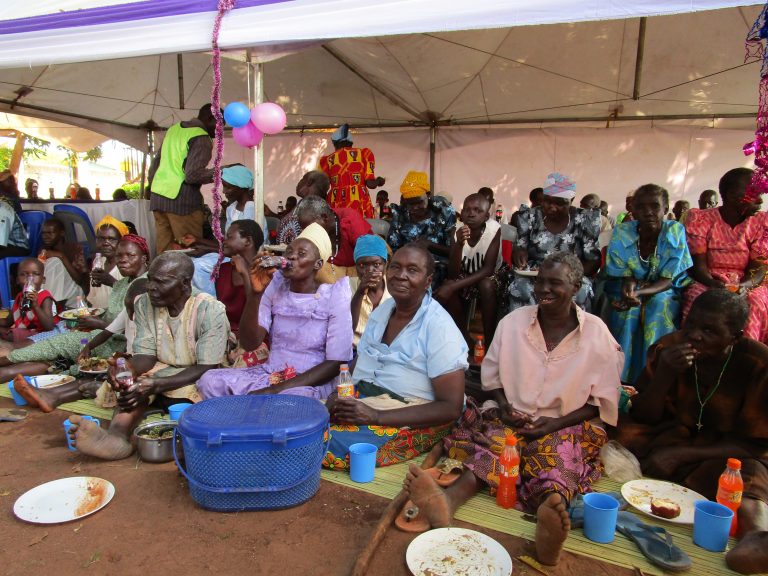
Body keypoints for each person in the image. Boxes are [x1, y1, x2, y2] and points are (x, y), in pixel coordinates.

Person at [403, 253, 622, 566]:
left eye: (554, 283)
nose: (543, 289)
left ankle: (552, 511)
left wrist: (554, 424)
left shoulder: (598, 335)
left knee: (559, 456)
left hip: (565, 424)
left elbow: (599, 403)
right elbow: (490, 378)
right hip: (513, 417)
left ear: (575, 286)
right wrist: (504, 407)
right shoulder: (512, 324)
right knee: (495, 448)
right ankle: (447, 502)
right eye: (540, 281)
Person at [17, 252, 230, 461]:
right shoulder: (145, 303)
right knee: (131, 385)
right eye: (150, 280)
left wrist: (156, 384)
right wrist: (128, 369)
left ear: (185, 284)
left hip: (201, 373)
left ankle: (132, 413)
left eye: (161, 282)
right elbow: (145, 355)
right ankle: (116, 436)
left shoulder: (209, 309)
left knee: (170, 389)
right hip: (164, 367)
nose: (151, 287)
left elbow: (207, 365)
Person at [617, 290, 768, 575]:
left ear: (735, 337)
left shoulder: (758, 364)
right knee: (620, 433)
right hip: (672, 433)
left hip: (727, 450)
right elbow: (643, 415)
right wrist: (664, 375)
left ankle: (756, 537)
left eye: (709, 331)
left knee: (749, 474)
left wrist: (682, 454)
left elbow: (756, 444)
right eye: (691, 325)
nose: (695, 336)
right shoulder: (668, 348)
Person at [324, 243, 467, 469]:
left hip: (408, 414)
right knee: (305, 422)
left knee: (329, 444)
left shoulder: (439, 326)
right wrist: (337, 394)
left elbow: (451, 407)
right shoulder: (382, 310)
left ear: (428, 280)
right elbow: (361, 360)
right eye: (396, 268)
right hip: (363, 400)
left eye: (412, 270)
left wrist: (376, 417)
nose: (401, 276)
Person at [197, 223, 353, 400]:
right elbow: (249, 344)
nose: (292, 256)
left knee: (289, 402)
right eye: (289, 252)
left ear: (317, 264)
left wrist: (274, 390)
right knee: (209, 381)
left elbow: (336, 363)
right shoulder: (275, 285)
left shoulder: (334, 295)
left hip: (307, 383)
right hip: (271, 375)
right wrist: (255, 295)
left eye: (301, 254)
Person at [0, 235, 151, 379]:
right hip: (101, 337)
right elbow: (116, 316)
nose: (123, 260)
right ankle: (11, 363)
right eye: (119, 256)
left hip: (120, 345)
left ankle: (9, 360)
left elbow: (136, 329)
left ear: (143, 258)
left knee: (55, 346)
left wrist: (99, 324)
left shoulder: (143, 285)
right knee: (52, 353)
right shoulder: (125, 282)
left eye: (130, 255)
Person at [605, 184, 692, 384]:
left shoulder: (675, 231)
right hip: (632, 285)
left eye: (654, 206)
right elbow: (623, 273)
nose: (648, 212)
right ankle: (619, 377)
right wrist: (630, 288)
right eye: (641, 207)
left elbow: (668, 279)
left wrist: (641, 292)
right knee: (626, 311)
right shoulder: (623, 231)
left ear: (666, 208)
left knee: (658, 306)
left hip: (666, 288)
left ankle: (654, 374)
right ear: (632, 210)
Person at [683, 167, 768, 343]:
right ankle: (694, 355)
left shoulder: (761, 222)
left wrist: (743, 286)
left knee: (755, 303)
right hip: (707, 280)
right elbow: (698, 266)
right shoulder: (701, 219)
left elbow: (759, 269)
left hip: (748, 282)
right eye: (754, 194)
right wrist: (714, 284)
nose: (760, 200)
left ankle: (745, 359)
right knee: (698, 297)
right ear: (730, 195)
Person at [508, 173, 600, 313]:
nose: (552, 207)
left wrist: (569, 277)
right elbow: (520, 247)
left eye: (560, 203)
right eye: (547, 201)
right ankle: (524, 332)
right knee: (520, 287)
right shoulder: (531, 216)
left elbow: (593, 261)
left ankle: (572, 333)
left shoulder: (584, 220)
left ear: (572, 200)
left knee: (582, 290)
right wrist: (519, 253)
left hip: (570, 276)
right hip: (535, 275)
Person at [147, 104, 217, 253]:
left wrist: (153, 188)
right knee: (190, 251)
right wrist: (221, 173)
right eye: (219, 125)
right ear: (210, 118)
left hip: (158, 198)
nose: (219, 132)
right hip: (182, 202)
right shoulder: (201, 137)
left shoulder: (174, 129)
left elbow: (155, 164)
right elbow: (192, 175)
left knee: (164, 253)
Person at [435, 192, 501, 347]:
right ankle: (465, 340)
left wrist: (452, 286)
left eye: (478, 210)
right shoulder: (456, 229)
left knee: (485, 285)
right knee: (449, 289)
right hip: (466, 274)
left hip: (490, 276)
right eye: (467, 209)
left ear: (486, 216)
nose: (471, 213)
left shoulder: (493, 229)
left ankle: (490, 342)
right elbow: (453, 273)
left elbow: (488, 269)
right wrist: (458, 244)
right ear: (461, 213)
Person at [185, 165, 258, 295]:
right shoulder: (231, 209)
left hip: (246, 257)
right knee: (188, 262)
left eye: (228, 187)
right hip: (232, 253)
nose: (224, 191)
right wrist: (198, 241)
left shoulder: (253, 210)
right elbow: (227, 242)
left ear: (242, 187)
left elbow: (240, 248)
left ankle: (213, 305)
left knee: (198, 267)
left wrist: (207, 248)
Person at [387, 171, 456, 289]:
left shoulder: (443, 211)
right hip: (407, 266)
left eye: (419, 202)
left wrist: (429, 245)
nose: (414, 208)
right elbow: (392, 251)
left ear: (428, 195)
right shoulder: (400, 215)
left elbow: (454, 253)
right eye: (409, 204)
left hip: (438, 268)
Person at [295, 196, 372, 285]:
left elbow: (369, 259)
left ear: (325, 218)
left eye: (310, 227)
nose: (309, 231)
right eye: (304, 228)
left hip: (359, 271)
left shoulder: (350, 219)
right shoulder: (313, 231)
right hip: (333, 277)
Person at [320, 123, 384, 219]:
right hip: (358, 204)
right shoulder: (364, 154)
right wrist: (379, 181)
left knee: (339, 231)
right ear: (351, 143)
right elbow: (371, 184)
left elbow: (322, 188)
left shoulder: (326, 160)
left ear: (335, 143)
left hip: (336, 206)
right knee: (360, 230)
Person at [215, 219, 263, 337]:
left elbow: (256, 313)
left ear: (247, 241)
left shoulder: (265, 272)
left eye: (229, 237)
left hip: (254, 337)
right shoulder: (223, 270)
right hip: (225, 334)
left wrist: (245, 275)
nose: (224, 241)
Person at [0, 258, 58, 342]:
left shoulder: (45, 296)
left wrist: (35, 305)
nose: (30, 278)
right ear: (17, 280)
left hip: (39, 333)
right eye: (24, 274)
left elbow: (49, 326)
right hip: (23, 331)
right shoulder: (19, 296)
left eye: (35, 274)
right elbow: (8, 321)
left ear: (43, 280)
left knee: (8, 334)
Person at [351, 235, 391, 347]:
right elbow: (346, 332)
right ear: (356, 267)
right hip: (353, 351)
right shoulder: (346, 287)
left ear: (385, 265)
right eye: (362, 265)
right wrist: (360, 292)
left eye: (376, 264)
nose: (370, 271)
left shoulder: (395, 291)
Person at [38, 217, 87, 309]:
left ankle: (51, 306)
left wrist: (61, 257)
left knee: (55, 262)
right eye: (43, 233)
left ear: (62, 233)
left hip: (73, 292)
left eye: (50, 233)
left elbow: (79, 280)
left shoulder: (74, 249)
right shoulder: (44, 251)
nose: (45, 236)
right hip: (51, 290)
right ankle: (48, 304)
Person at [276, 170, 330, 245]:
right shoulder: (320, 207)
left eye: (302, 179)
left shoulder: (312, 209)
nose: (299, 183)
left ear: (309, 182)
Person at [89, 215, 130, 310]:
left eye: (111, 239)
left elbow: (134, 296)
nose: (106, 243)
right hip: (98, 315)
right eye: (101, 239)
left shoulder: (127, 265)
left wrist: (111, 281)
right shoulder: (98, 262)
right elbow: (94, 296)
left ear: (121, 241)